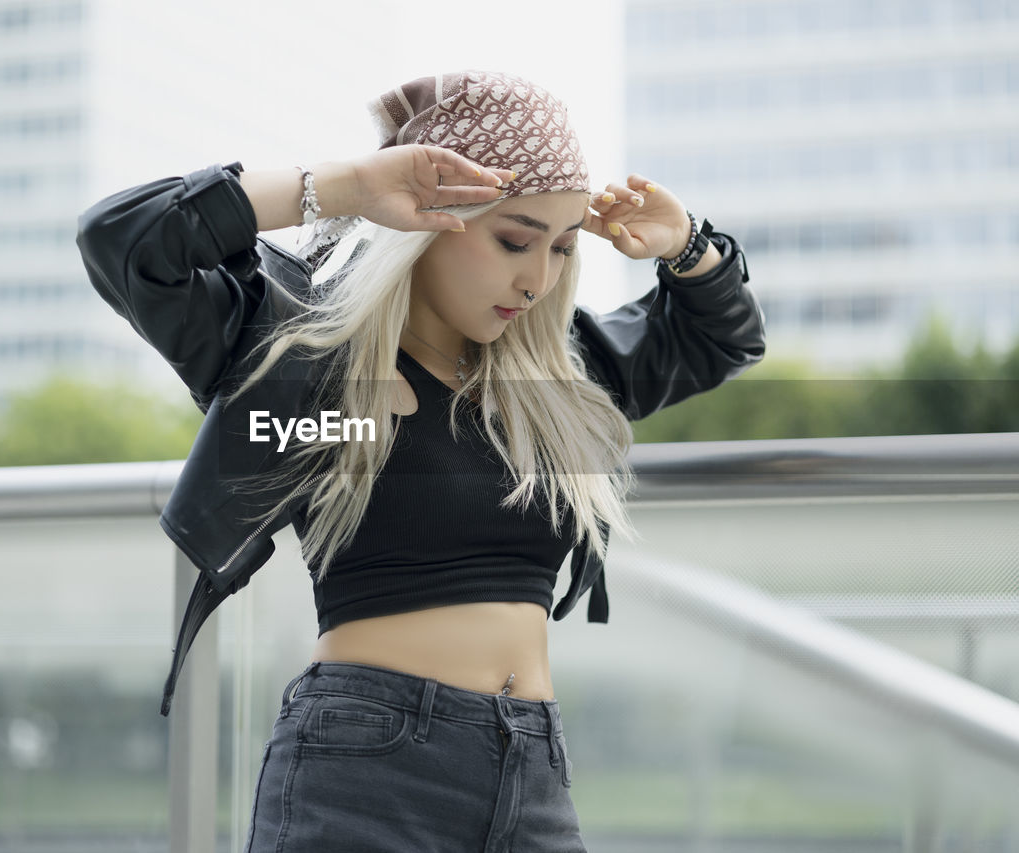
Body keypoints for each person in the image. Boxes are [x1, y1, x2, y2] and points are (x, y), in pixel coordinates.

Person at [76, 70, 765, 853]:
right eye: (515, 239)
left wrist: (685, 246)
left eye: (562, 248)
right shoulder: (310, 362)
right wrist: (347, 187)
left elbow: (720, 338)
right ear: (434, 219)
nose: (537, 280)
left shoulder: (550, 381)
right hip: (365, 764)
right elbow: (122, 238)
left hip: (531, 766)